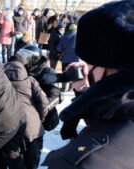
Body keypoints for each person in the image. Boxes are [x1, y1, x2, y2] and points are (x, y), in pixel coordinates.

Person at [43, 1, 134, 168]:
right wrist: (83, 91)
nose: (85, 66)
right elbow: (111, 124)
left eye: (89, 61)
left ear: (108, 67)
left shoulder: (80, 162)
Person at [0, 48, 49, 169]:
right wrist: (41, 118)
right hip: (30, 126)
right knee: (31, 161)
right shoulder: (30, 80)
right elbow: (43, 102)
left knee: (4, 156)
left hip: (5, 125)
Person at [24, 45, 60, 132]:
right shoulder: (23, 71)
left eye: (26, 58)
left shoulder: (50, 73)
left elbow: (56, 96)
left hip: (45, 117)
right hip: (26, 115)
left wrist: (42, 110)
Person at [56, 23, 80, 92]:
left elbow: (58, 49)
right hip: (75, 60)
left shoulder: (63, 37)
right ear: (75, 29)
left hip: (65, 59)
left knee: (65, 73)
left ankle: (64, 88)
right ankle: (71, 88)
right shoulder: (79, 38)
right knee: (74, 74)